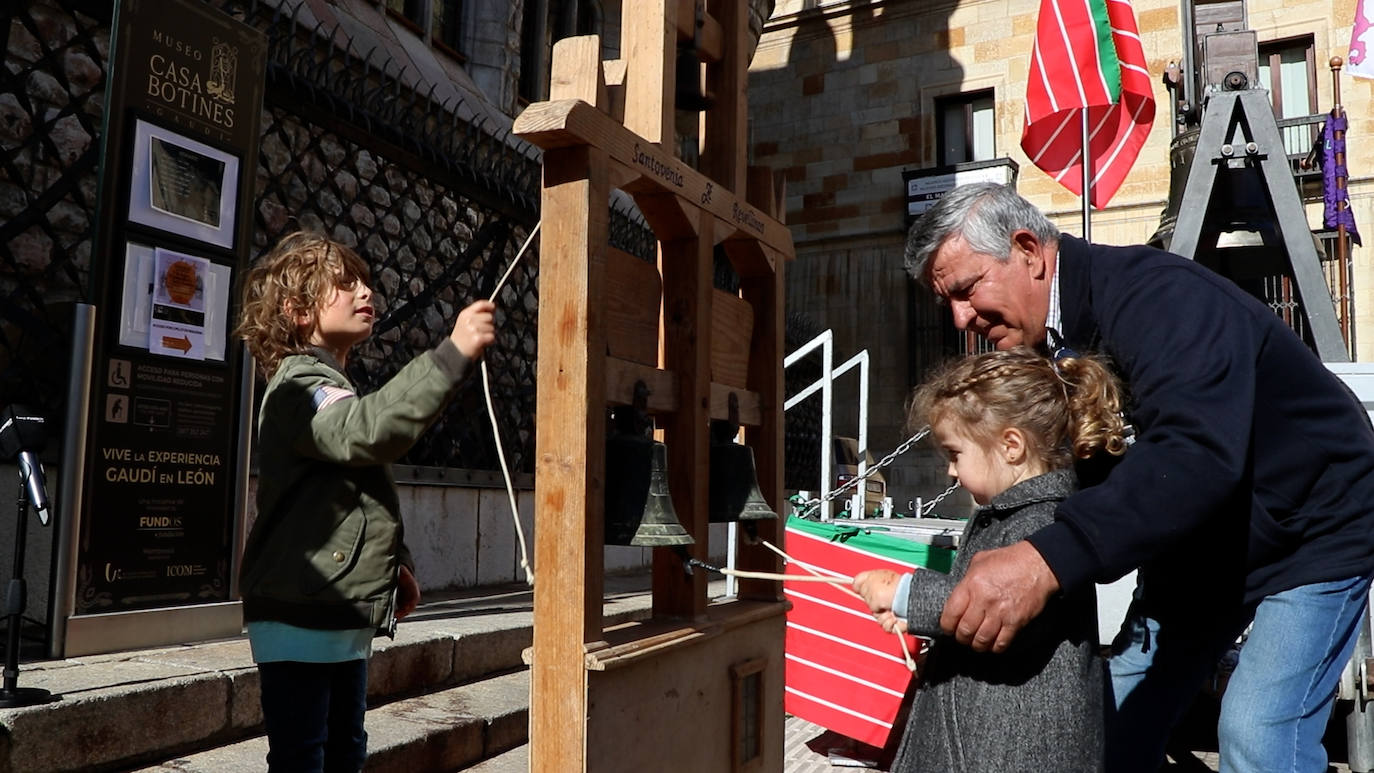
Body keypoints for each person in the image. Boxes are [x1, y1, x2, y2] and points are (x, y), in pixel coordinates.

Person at [902, 182, 1374, 772]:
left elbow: (1196, 450)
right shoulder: (1048, 343)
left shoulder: (1160, 298)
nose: (960, 318)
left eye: (967, 291)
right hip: (1202, 546)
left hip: (1315, 528)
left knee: (1257, 732)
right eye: (947, 302)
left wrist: (1044, 561)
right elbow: (1086, 474)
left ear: (1028, 249)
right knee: (1111, 725)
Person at [234, 232, 496, 772]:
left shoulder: (329, 383)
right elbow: (368, 430)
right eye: (345, 283)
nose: (365, 291)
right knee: (307, 758)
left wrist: (394, 566)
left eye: (366, 281)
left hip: (333, 608)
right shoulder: (298, 384)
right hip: (302, 609)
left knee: (343, 751)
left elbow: (353, 494)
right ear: (298, 311)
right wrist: (450, 355)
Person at [853, 346, 1127, 772]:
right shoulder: (1016, 515)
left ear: (1011, 446)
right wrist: (925, 622)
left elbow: (1001, 607)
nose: (950, 471)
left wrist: (903, 592)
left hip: (1011, 752)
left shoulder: (1040, 523)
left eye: (954, 454)